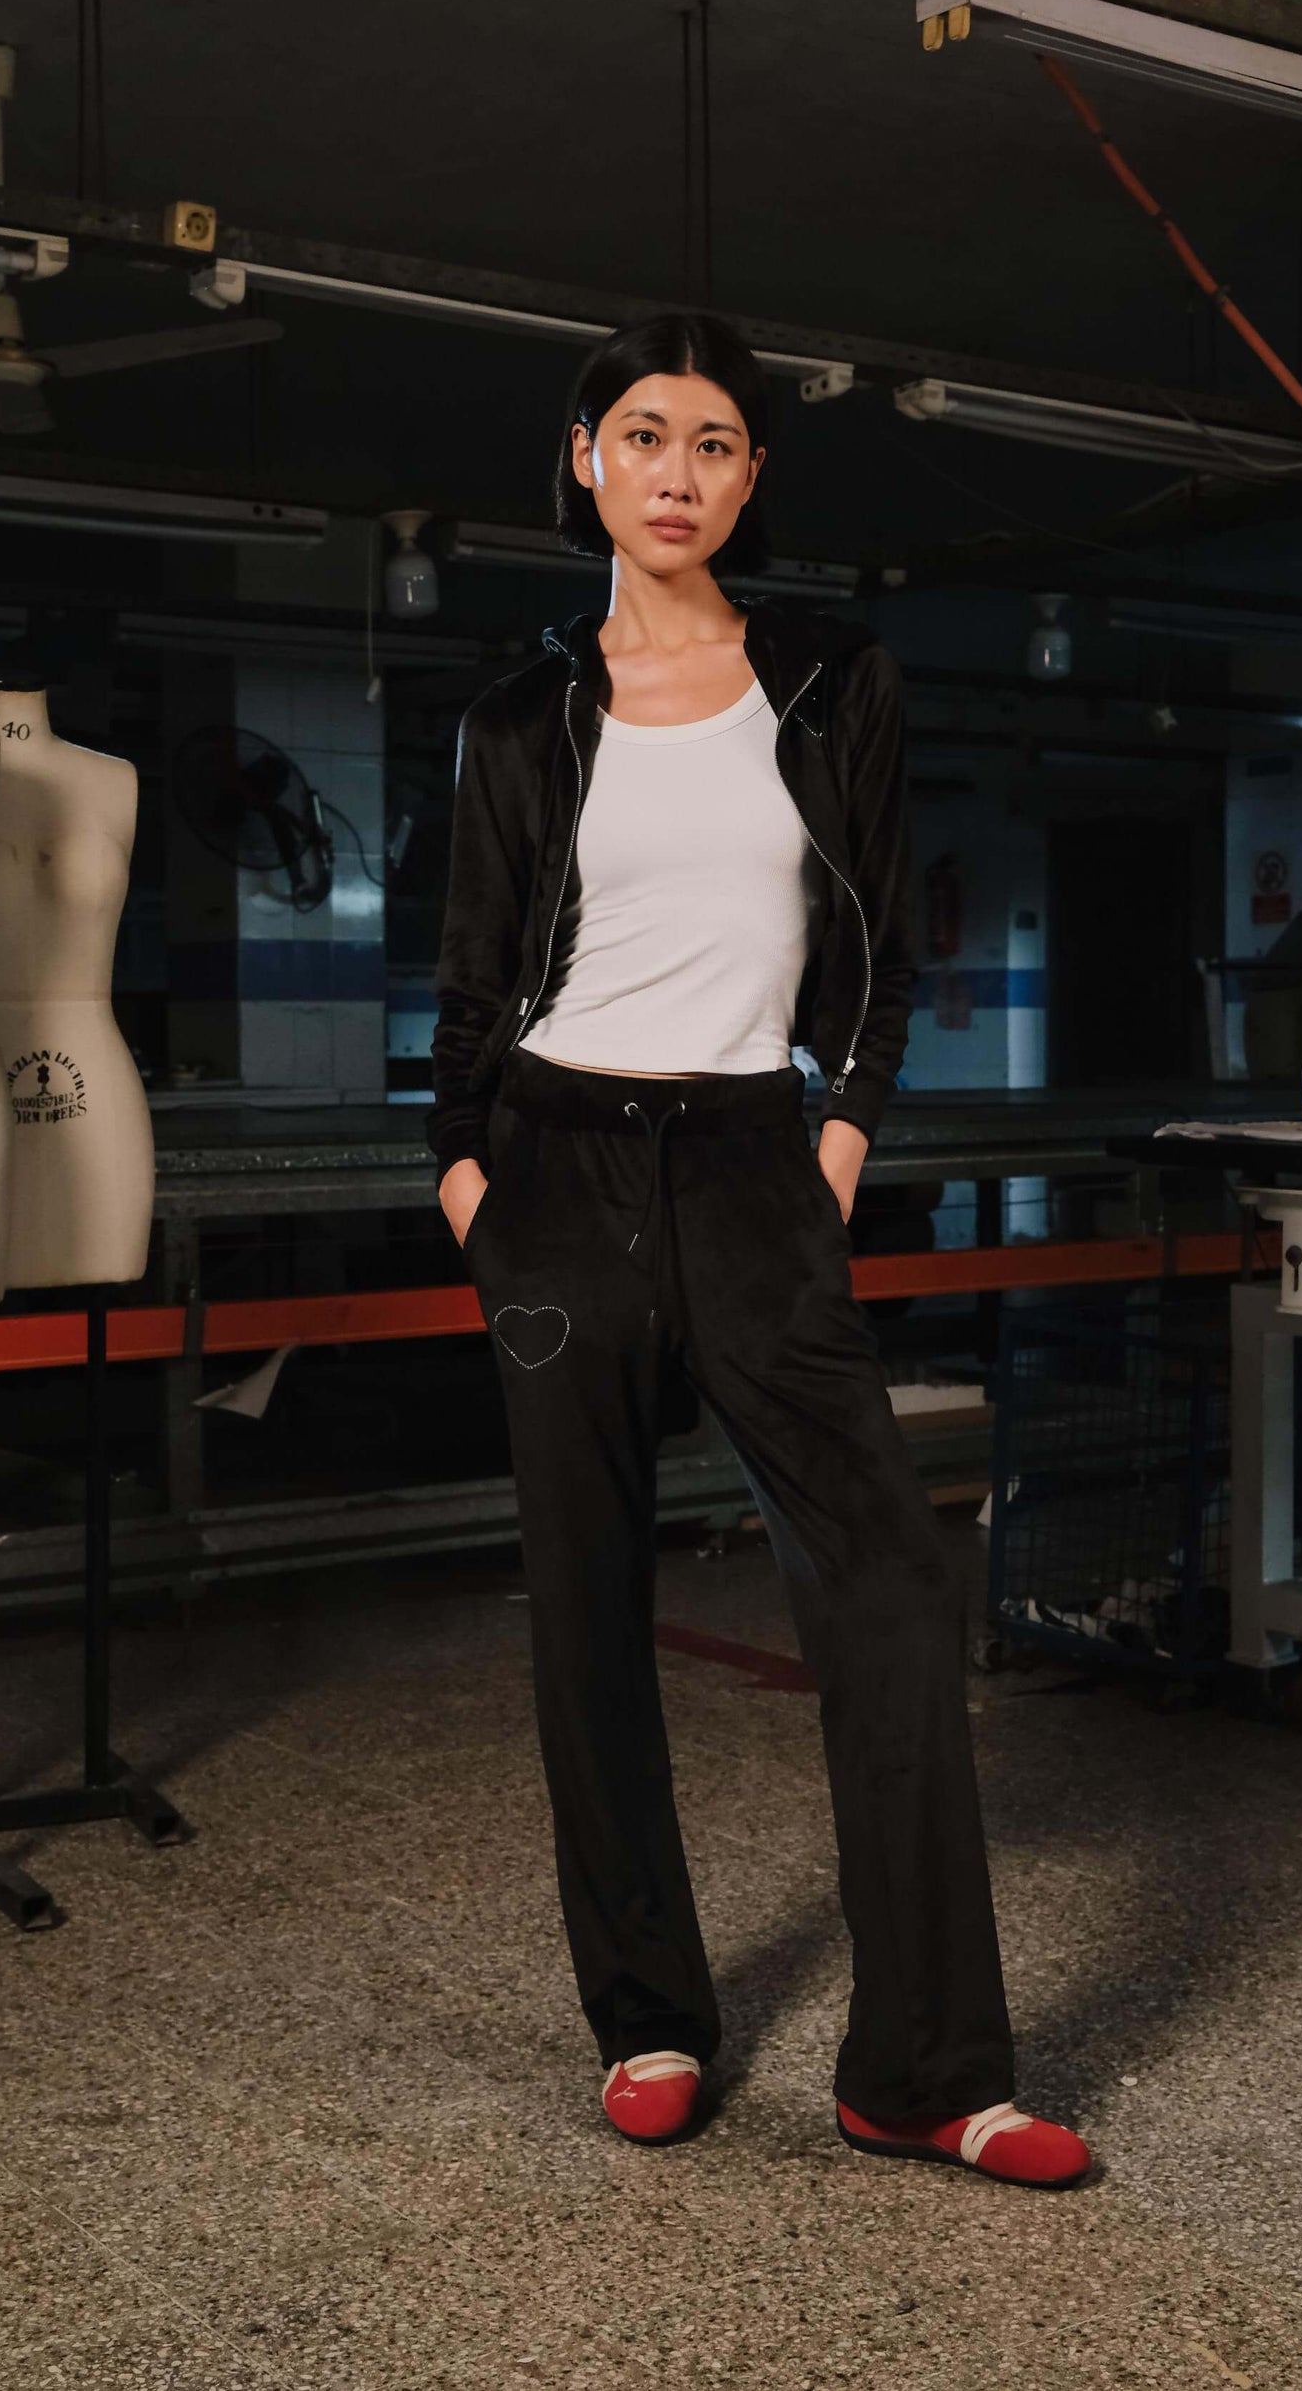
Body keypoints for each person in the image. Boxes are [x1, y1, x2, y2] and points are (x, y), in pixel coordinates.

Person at [425, 310, 1090, 2191]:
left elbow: (875, 945)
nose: (675, 472)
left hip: (747, 1161)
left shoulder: (829, 678)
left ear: (747, 482)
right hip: (552, 1164)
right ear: (585, 460)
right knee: (587, 1612)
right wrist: (470, 1191)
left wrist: (838, 1147)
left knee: (882, 1581)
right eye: (642, 435)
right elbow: (469, 987)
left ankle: (927, 2070)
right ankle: (645, 2016)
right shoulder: (515, 713)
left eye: (712, 444)